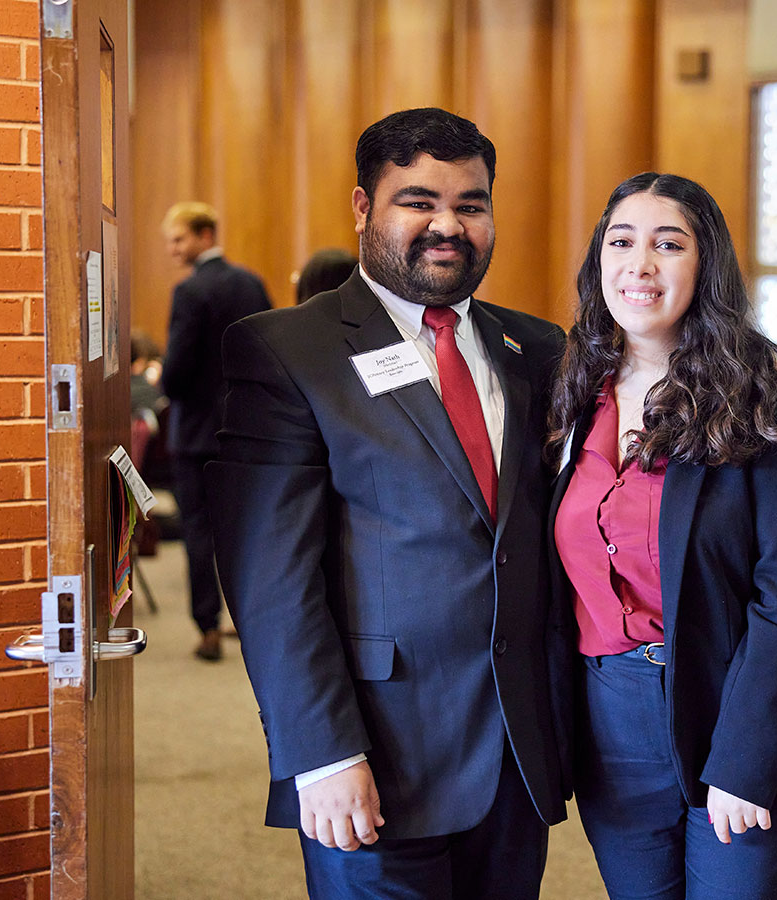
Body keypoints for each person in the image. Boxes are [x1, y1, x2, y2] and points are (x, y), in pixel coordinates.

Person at [206, 108, 571, 899]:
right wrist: (321, 754)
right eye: (419, 201)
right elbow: (270, 580)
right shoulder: (287, 350)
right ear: (364, 207)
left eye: (471, 204)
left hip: (516, 755)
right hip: (374, 757)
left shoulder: (537, 349)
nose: (448, 225)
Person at [547, 172, 777, 899]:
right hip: (612, 723)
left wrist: (745, 762)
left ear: (705, 264)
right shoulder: (570, 388)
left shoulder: (755, 397)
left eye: (669, 244)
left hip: (734, 711)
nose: (640, 265)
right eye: (621, 242)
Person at [160, 202, 271, 661]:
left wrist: (159, 378)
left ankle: (206, 626)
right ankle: (250, 620)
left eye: (179, 239)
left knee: (199, 531)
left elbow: (177, 374)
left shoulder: (190, 292)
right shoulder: (251, 284)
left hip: (197, 435)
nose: (172, 250)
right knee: (249, 529)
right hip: (247, 427)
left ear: (205, 235)